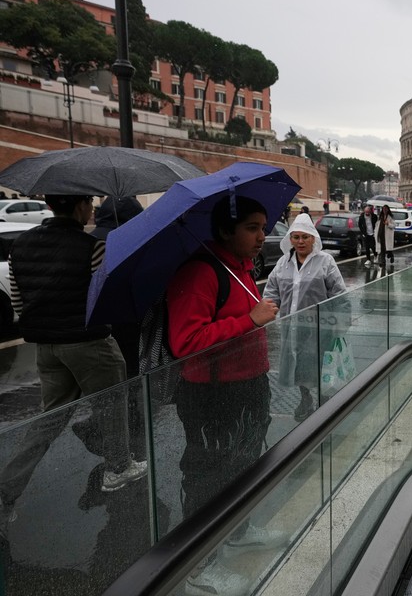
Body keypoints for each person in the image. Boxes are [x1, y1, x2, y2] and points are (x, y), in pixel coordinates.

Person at [0, 194, 146, 523]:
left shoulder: (20, 245)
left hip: (46, 346)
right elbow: (103, 295)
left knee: (48, 419)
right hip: (88, 341)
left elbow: (19, 301)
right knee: (112, 403)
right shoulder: (90, 246)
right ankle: (118, 468)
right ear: (79, 206)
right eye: (90, 203)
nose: (92, 209)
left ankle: (6, 491)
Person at [166, 195, 285, 595]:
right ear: (224, 230)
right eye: (252, 227)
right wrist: (248, 320)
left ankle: (237, 533)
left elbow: (241, 323)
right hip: (211, 395)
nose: (261, 236)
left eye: (263, 227)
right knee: (208, 478)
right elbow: (186, 341)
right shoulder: (201, 274)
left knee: (244, 465)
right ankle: (198, 566)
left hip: (249, 386)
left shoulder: (241, 270)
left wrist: (252, 318)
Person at [262, 213, 347, 421]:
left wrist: (341, 323)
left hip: (321, 326)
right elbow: (271, 291)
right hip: (292, 326)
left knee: (321, 363)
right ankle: (305, 398)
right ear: (290, 239)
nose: (300, 242)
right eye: (296, 237)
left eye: (305, 237)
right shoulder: (283, 263)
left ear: (313, 239)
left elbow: (339, 293)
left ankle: (325, 401)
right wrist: (270, 310)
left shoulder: (325, 262)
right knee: (298, 363)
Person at [90, 196, 145, 377]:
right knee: (129, 371)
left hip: (97, 325)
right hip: (123, 322)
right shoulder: (126, 243)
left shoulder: (90, 240)